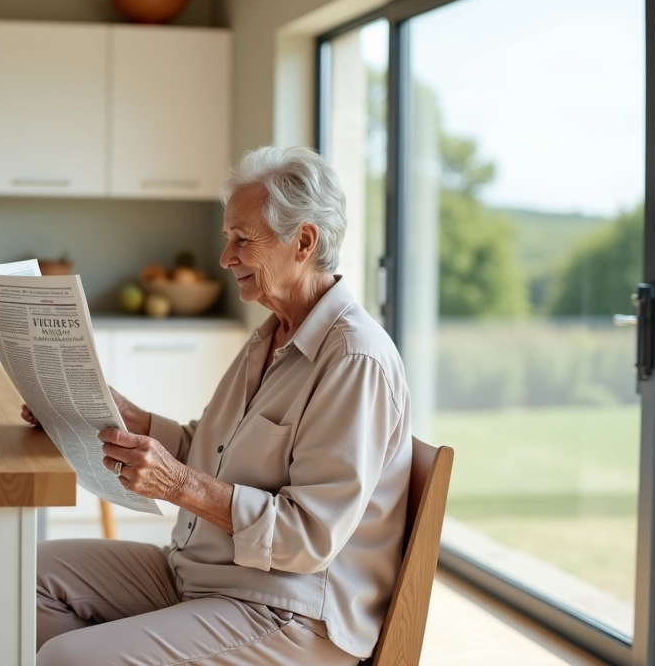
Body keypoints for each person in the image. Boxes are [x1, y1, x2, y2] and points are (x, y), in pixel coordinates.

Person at [24, 145, 413, 666]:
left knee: (71, 659)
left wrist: (178, 484)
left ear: (303, 241)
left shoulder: (354, 359)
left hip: (287, 612)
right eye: (227, 238)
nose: (226, 257)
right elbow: (211, 449)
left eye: (241, 240)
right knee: (23, 578)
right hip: (199, 572)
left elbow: (308, 535)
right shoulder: (272, 335)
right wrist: (128, 419)